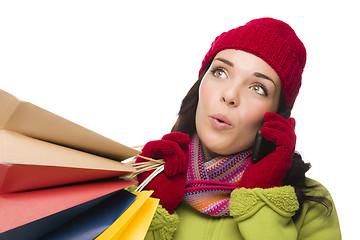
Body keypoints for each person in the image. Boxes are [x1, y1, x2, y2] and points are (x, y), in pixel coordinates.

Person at [134, 17, 341, 239]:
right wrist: (152, 209)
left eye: (258, 88)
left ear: (278, 115)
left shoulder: (313, 205)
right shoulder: (141, 178)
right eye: (220, 72)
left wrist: (261, 199)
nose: (230, 95)